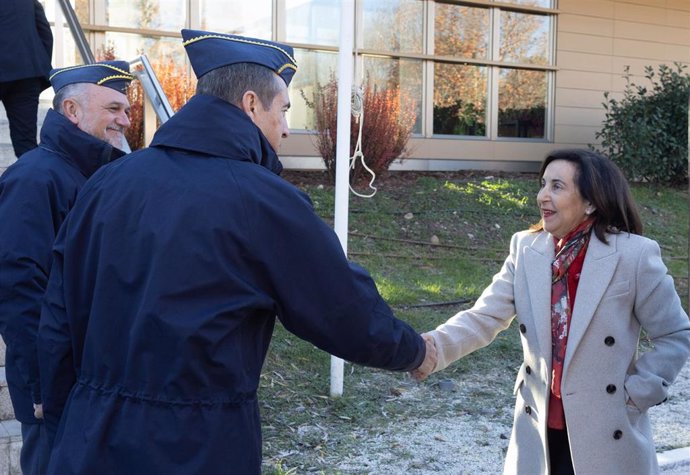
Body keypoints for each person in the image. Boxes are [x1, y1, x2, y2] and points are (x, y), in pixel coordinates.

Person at [37, 30, 436, 474]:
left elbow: (58, 318)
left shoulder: (106, 183)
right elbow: (342, 308)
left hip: (89, 438)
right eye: (283, 110)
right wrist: (415, 351)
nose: (285, 128)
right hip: (196, 447)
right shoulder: (262, 200)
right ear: (250, 104)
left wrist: (61, 425)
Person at [412, 149, 690, 475]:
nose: (542, 195)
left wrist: (636, 396)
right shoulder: (526, 248)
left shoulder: (634, 256)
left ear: (591, 202)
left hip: (607, 429)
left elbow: (675, 335)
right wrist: (431, 348)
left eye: (557, 186)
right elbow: (486, 316)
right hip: (539, 424)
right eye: (543, 184)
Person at [0, 60, 133, 475]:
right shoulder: (36, 178)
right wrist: (40, 384)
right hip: (56, 385)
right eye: (113, 109)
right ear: (72, 111)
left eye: (126, 111)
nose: (126, 121)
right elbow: (18, 287)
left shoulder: (96, 174)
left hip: (93, 375)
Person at [0, 0, 53, 158]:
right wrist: (38, 66)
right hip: (26, 73)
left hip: (26, 74)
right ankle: (31, 181)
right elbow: (45, 35)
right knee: (26, 143)